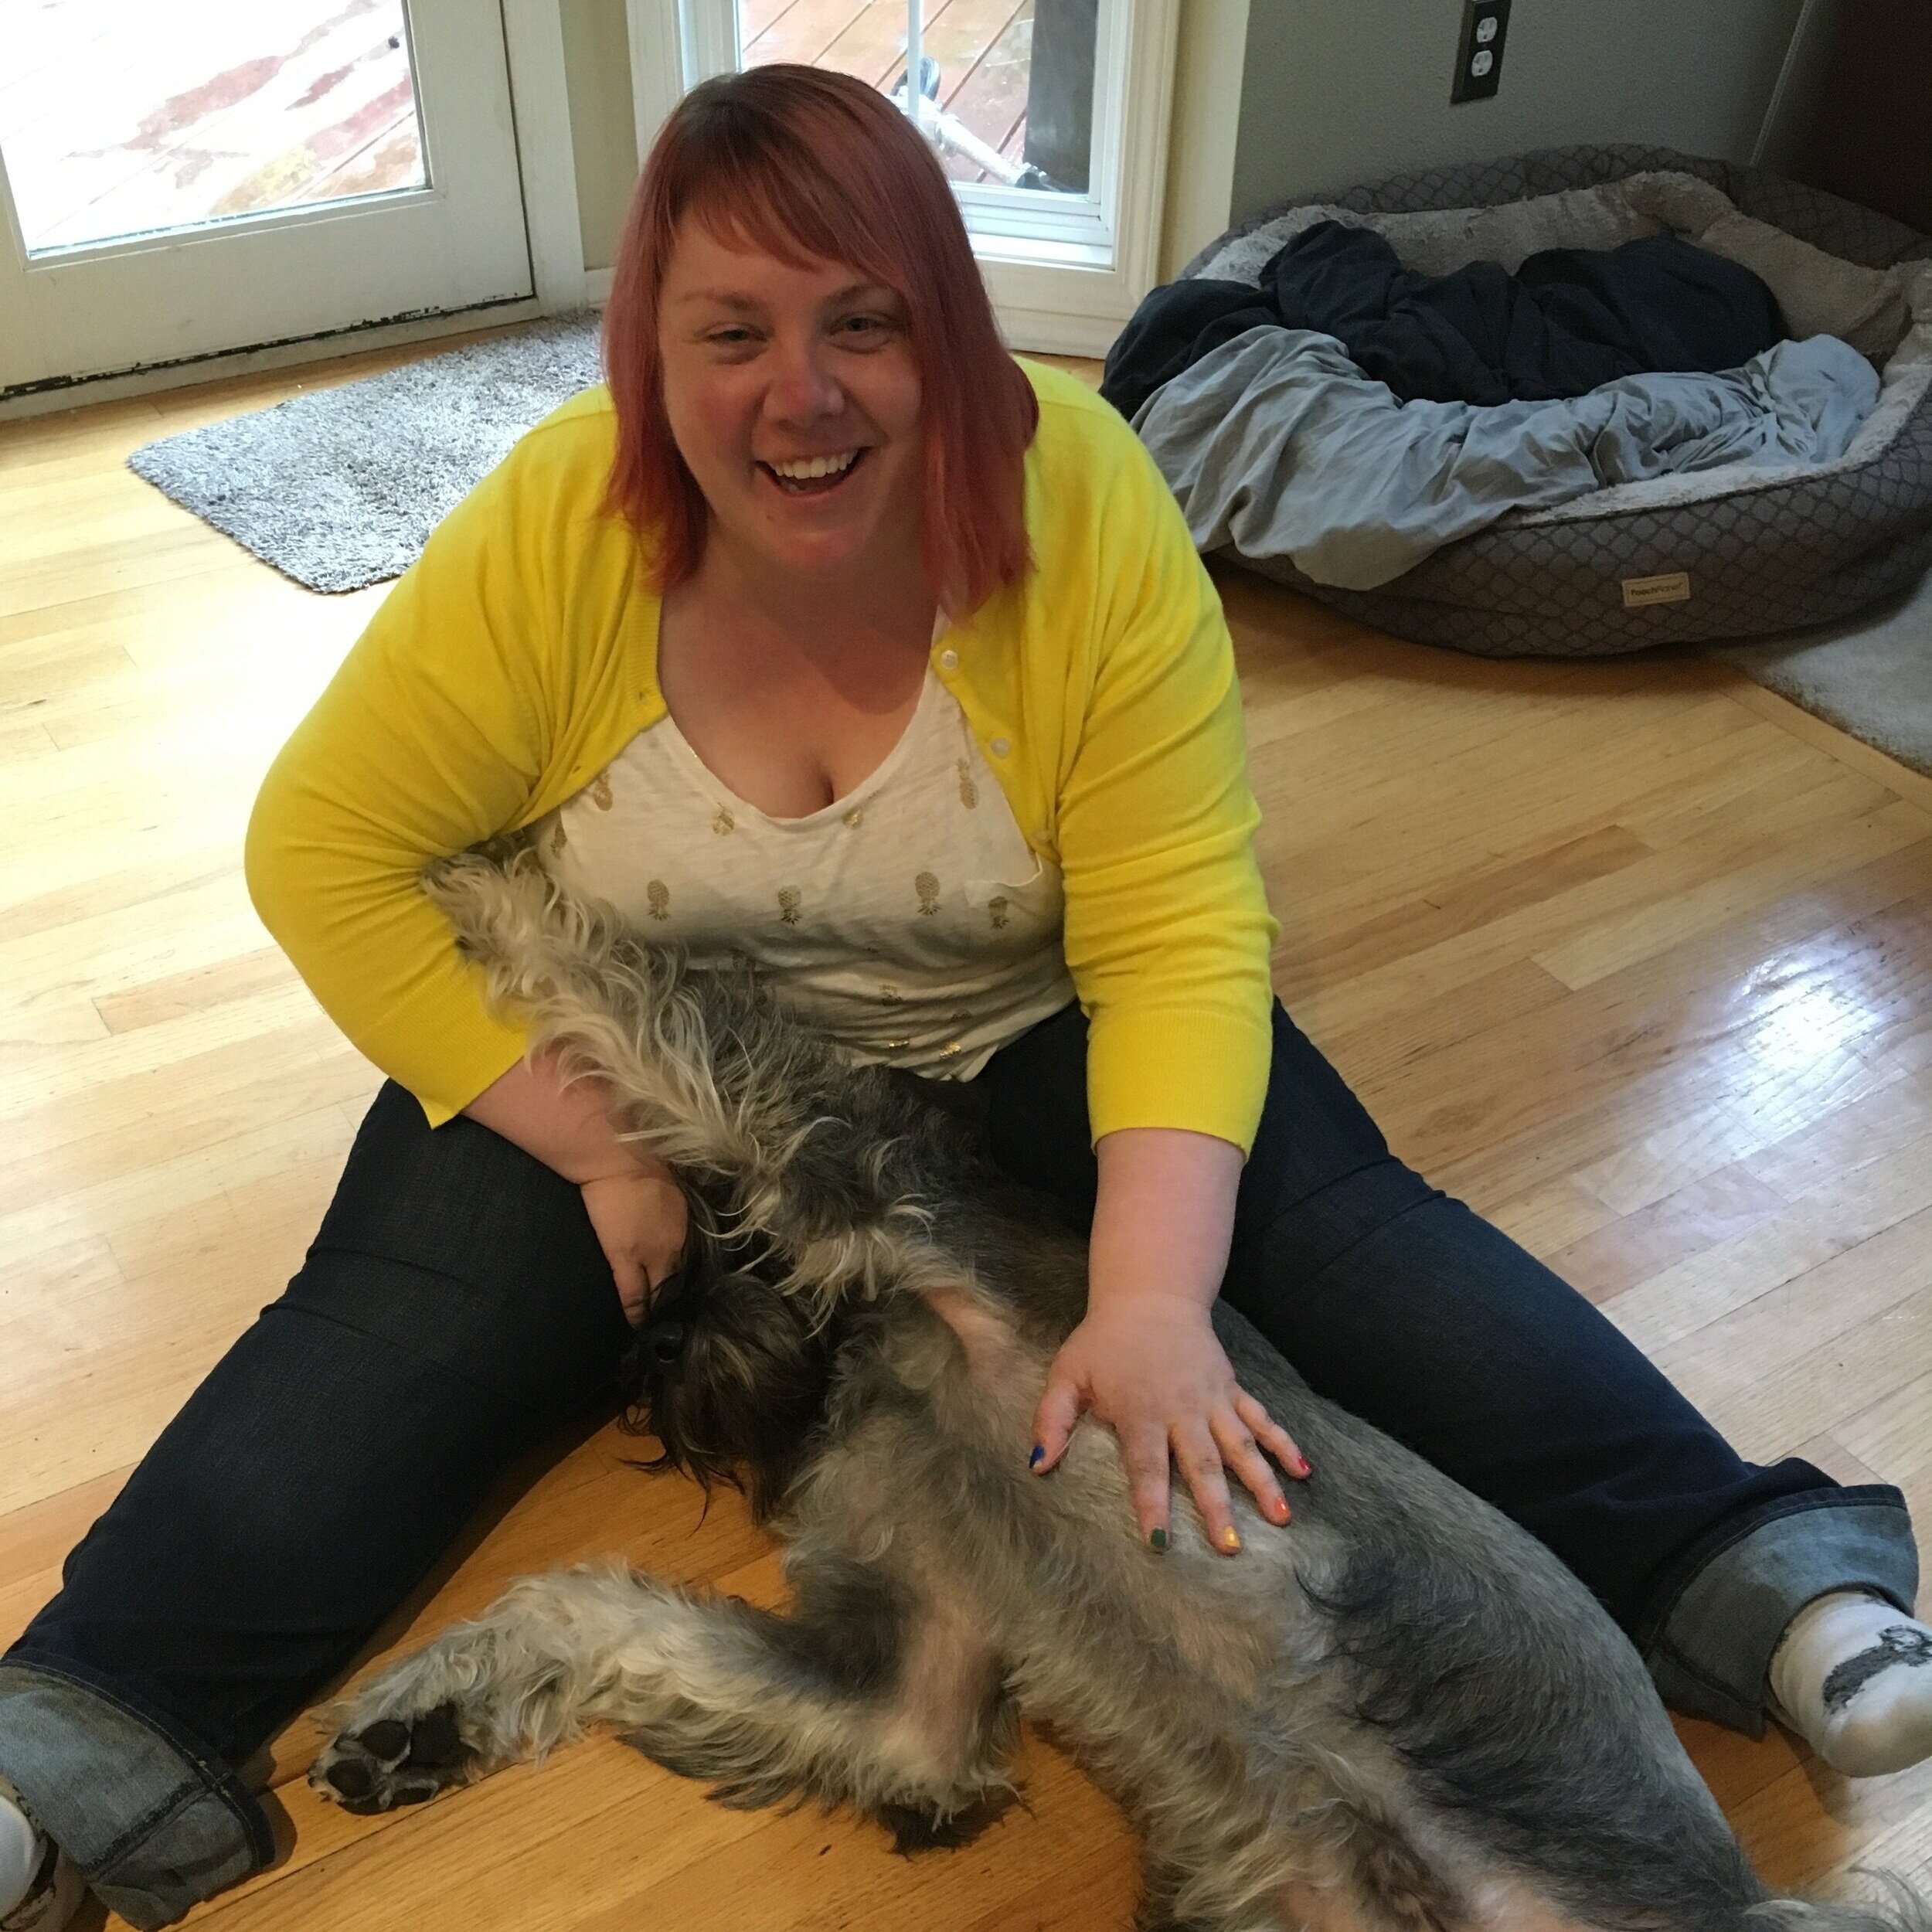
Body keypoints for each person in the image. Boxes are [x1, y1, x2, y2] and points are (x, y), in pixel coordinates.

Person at [2, 63, 1927, 1932]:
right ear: (648, 358)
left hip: (1017, 1026)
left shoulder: (1082, 499)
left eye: (864, 321)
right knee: (401, 1318)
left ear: (949, 331)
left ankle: (1767, 1580)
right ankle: (64, 1753)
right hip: (626, 1040)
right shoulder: (556, 527)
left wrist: (1151, 1299)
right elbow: (321, 850)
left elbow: (1178, 932)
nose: (803, 392)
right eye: (731, 334)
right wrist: (594, 1147)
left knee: (1342, 1234)